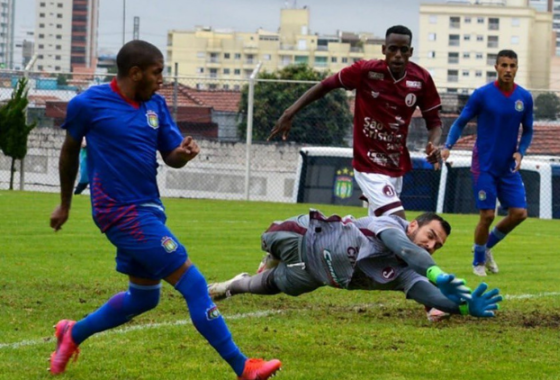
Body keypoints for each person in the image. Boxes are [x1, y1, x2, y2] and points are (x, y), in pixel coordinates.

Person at [48, 40, 281, 380]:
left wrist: (183, 154)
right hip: (119, 212)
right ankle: (242, 366)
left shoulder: (155, 105)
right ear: (135, 73)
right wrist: (66, 203)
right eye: (157, 73)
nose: (162, 80)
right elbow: (69, 152)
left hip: (149, 208)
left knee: (142, 298)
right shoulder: (89, 104)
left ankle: (73, 333)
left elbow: (171, 156)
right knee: (194, 282)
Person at [269, 25, 444, 219]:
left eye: (404, 50)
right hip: (368, 164)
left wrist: (434, 145)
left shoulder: (421, 79)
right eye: (393, 49)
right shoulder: (365, 71)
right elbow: (326, 85)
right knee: (398, 221)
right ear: (384, 49)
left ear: (410, 52)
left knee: (380, 231)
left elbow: (434, 122)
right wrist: (290, 112)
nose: (398, 55)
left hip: (396, 165)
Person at [207, 210, 502, 320]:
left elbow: (431, 297)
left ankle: (231, 284)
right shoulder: (390, 226)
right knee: (269, 237)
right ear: (413, 225)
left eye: (438, 246)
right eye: (430, 236)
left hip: (313, 275)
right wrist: (437, 273)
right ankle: (270, 256)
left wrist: (464, 308)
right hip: (304, 237)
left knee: (260, 287)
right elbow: (409, 251)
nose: (431, 246)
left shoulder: (407, 272)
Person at [441, 49, 534, 277]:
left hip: (507, 167)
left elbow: (529, 130)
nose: (508, 70)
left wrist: (520, 152)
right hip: (484, 165)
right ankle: (478, 261)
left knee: (519, 213)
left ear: (517, 68)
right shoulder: (482, 95)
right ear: (496, 67)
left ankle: (486, 246)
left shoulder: (524, 97)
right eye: (504, 65)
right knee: (487, 216)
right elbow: (460, 122)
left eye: (512, 66)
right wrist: (447, 146)